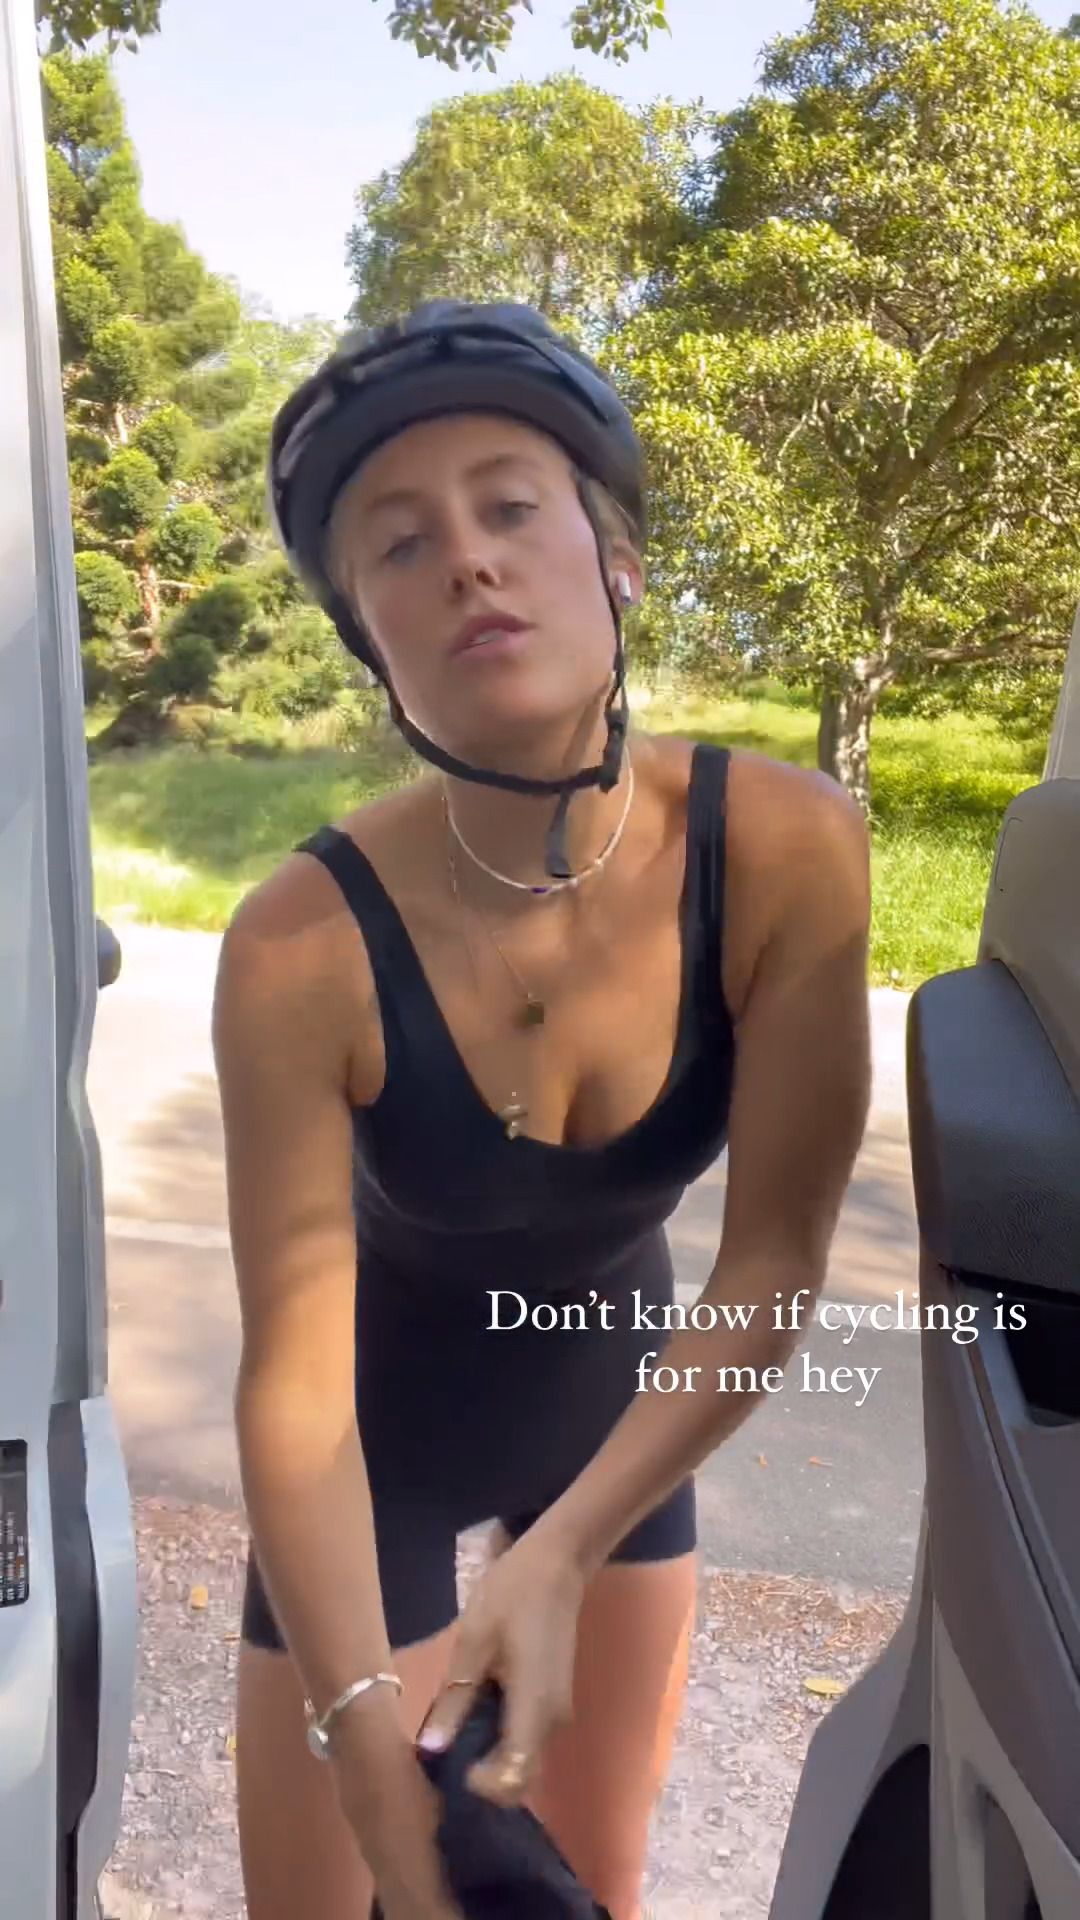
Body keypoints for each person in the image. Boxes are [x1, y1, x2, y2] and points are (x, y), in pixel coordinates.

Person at [211, 300, 873, 1920]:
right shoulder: (298, 943)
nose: (466, 560)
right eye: (399, 543)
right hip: (370, 1441)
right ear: (370, 639)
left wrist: (567, 1545)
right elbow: (293, 1386)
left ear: (618, 561)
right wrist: (370, 1766)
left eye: (509, 507)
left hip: (611, 1411)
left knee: (593, 1889)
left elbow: (773, 1259)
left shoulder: (786, 850)